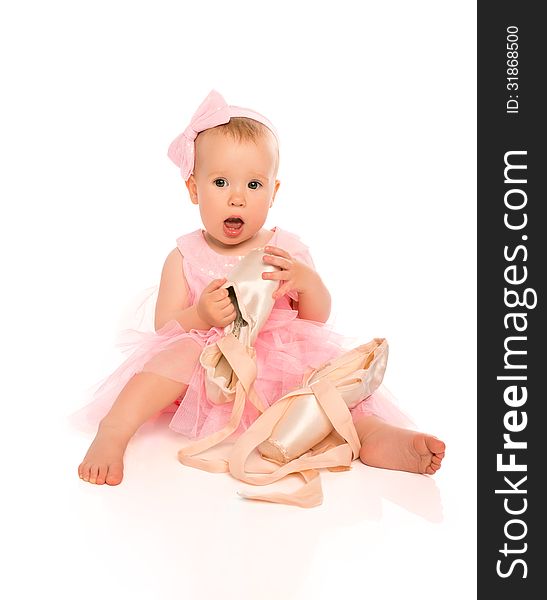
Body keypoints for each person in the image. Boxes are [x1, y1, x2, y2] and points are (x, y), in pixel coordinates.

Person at [75, 89, 445, 487]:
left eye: (254, 185)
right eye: (220, 182)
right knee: (170, 359)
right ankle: (114, 430)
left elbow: (315, 318)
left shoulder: (286, 249)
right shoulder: (184, 256)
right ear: (193, 189)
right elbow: (164, 329)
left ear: (274, 191)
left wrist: (308, 282)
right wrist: (199, 315)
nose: (237, 197)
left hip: (277, 363)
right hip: (210, 365)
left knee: (325, 383)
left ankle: (374, 436)